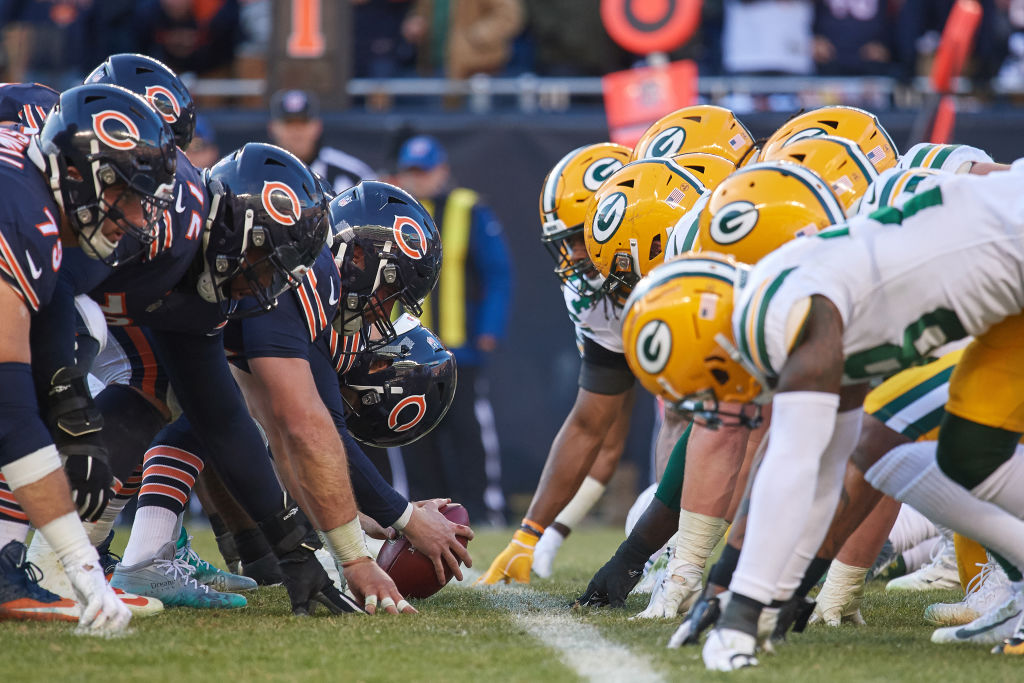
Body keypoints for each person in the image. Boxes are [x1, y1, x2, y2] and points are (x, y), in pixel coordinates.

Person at [0, 82, 179, 634]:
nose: (134, 215)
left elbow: (49, 314)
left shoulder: (34, 189)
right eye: (124, 193)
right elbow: (10, 409)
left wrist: (70, 407)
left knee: (82, 326)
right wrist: (81, 567)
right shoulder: (21, 209)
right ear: (81, 175)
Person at [393, 134, 512, 525]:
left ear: (443, 171)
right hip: (407, 351)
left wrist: (489, 328)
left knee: (468, 432)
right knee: (413, 434)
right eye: (412, 171)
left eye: (425, 171)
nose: (420, 179)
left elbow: (497, 273)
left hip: (459, 348)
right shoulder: (392, 213)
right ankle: (422, 512)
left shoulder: (468, 208)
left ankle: (481, 509)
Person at [267, 89, 376, 194]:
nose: (296, 131)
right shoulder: (255, 173)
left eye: (303, 122)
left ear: (317, 126)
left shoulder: (352, 174)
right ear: (272, 128)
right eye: (289, 123)